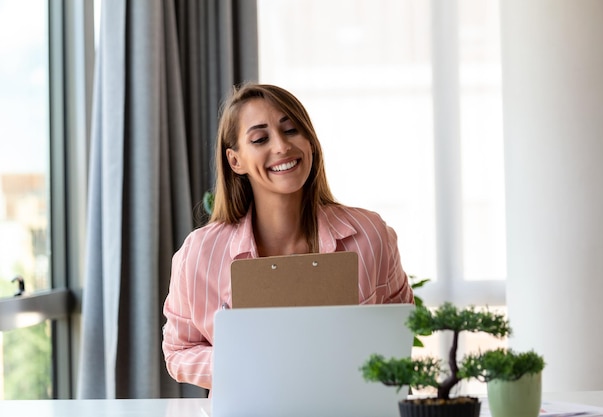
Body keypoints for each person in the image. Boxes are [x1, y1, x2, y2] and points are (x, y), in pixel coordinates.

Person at [161, 83, 414, 390]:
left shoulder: (370, 235)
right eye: (260, 138)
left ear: (310, 142)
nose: (281, 146)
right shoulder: (200, 253)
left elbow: (401, 330)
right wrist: (250, 364)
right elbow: (179, 351)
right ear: (235, 161)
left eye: (291, 130)